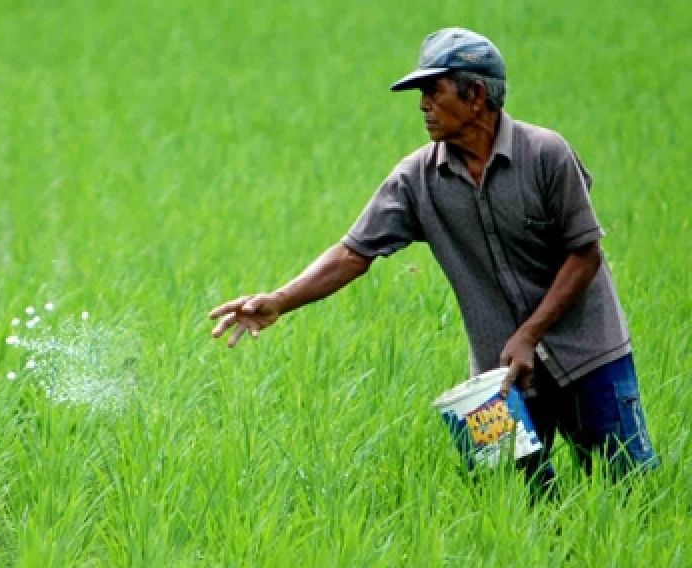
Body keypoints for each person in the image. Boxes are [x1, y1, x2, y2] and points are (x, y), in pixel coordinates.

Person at [208, 27, 658, 492]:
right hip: (498, 379)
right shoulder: (417, 179)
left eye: (433, 90)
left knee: (628, 495)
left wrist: (530, 334)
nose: (422, 104)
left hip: (590, 357)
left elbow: (585, 254)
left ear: (477, 94)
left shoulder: (546, 155)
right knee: (514, 508)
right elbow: (352, 253)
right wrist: (279, 301)